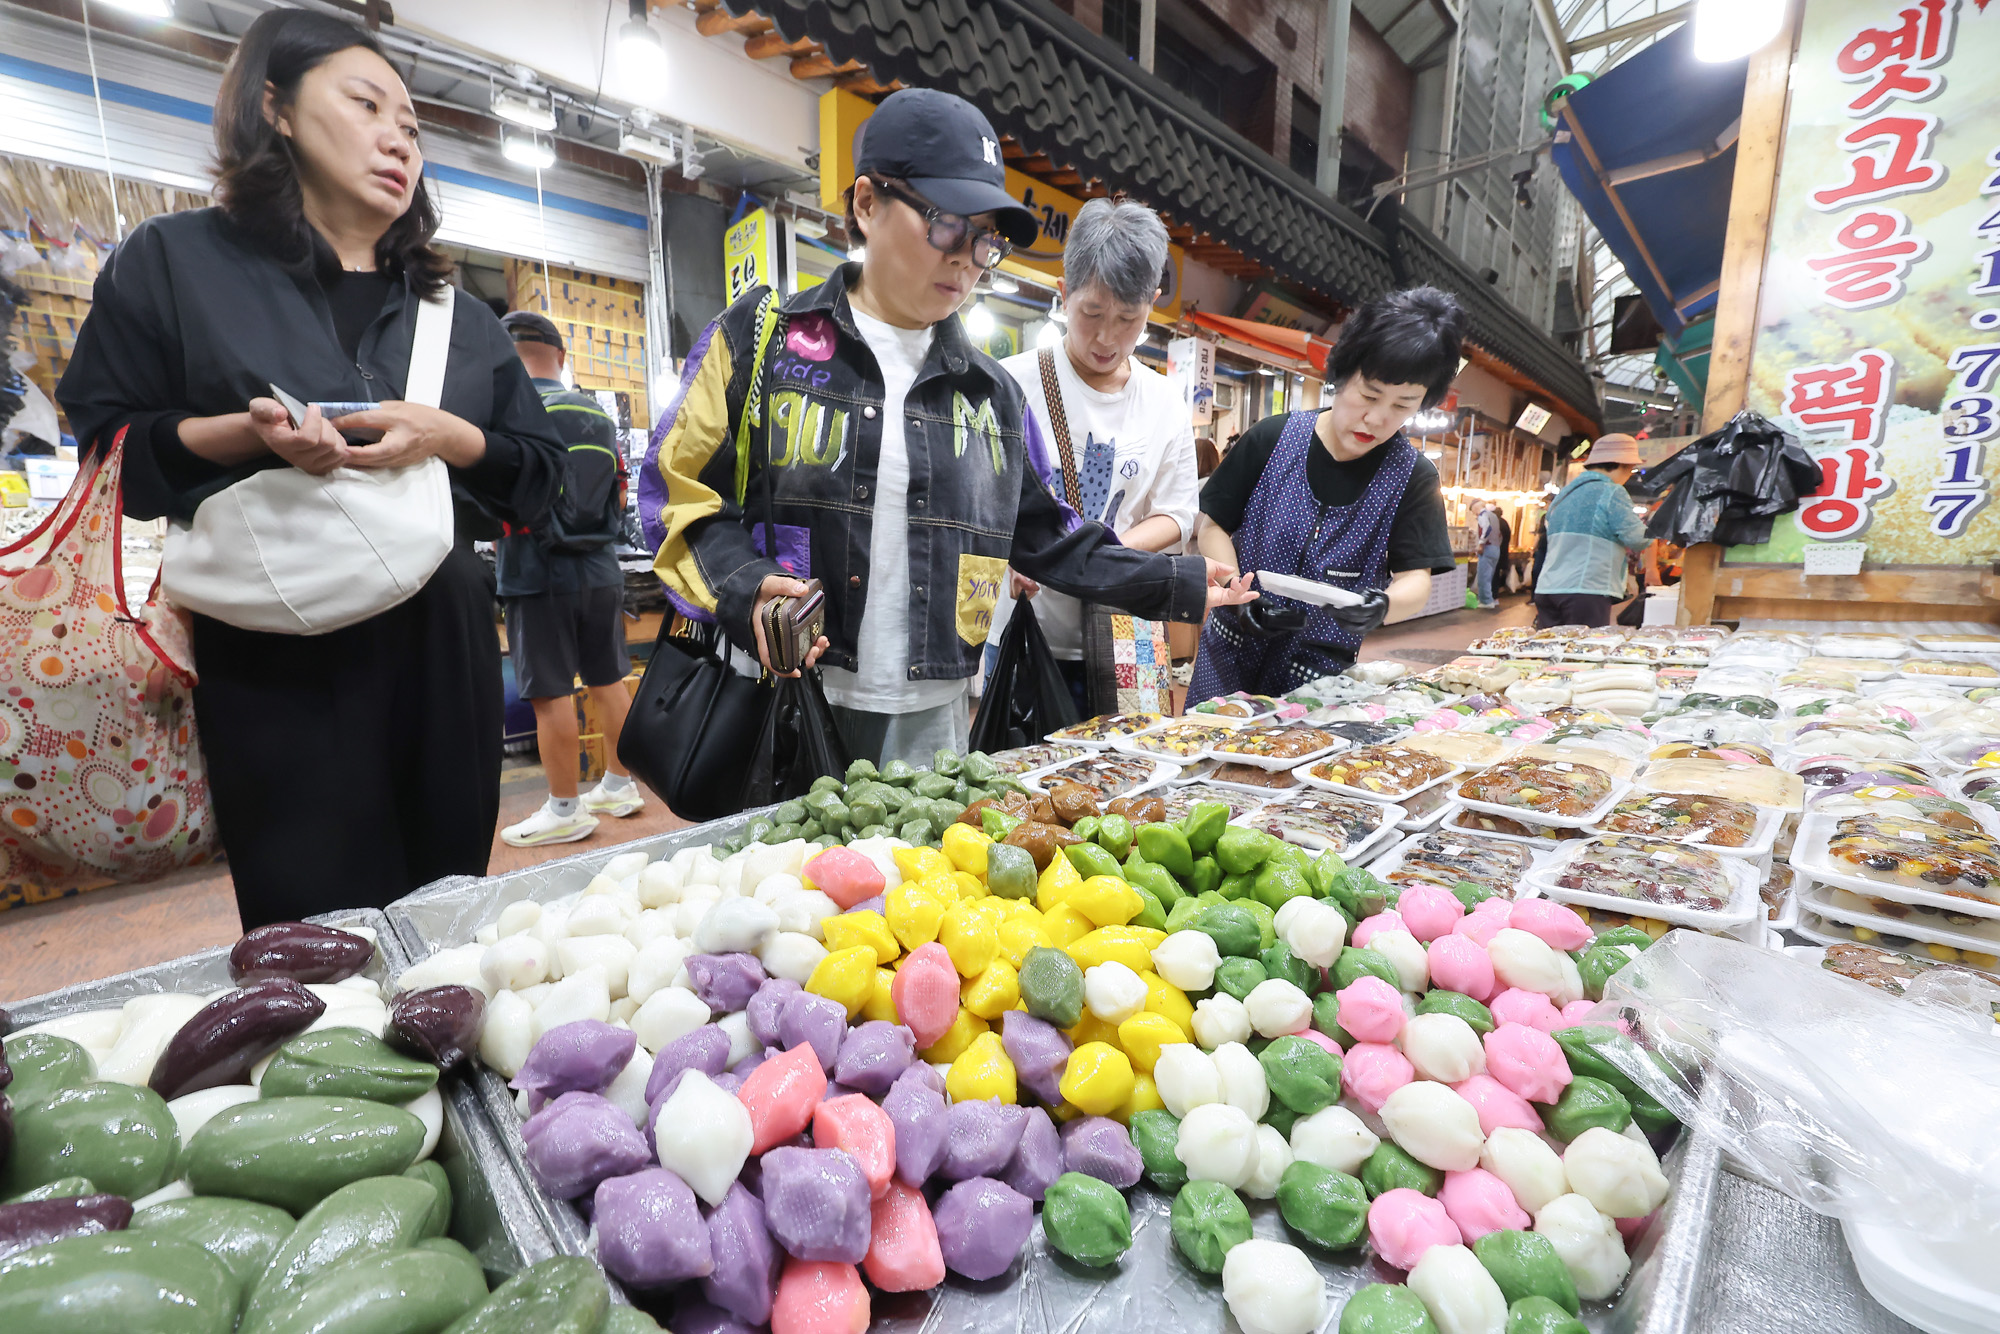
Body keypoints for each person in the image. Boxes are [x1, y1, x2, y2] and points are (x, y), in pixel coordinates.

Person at [56, 9, 564, 925]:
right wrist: (244, 434)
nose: (398, 140)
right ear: (275, 108)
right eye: (367, 105)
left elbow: (539, 477)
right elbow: (108, 455)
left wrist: (443, 435)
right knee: (312, 934)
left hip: (442, 647)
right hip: (271, 660)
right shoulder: (175, 263)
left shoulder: (459, 316)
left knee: (449, 914)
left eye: (411, 126)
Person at [643, 87, 1253, 769]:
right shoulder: (761, 343)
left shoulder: (991, 395)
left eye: (985, 238)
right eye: (945, 224)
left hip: (929, 718)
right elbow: (676, 495)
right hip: (779, 696)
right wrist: (747, 587)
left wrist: (1183, 582)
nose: (967, 258)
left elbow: (1051, 540)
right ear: (867, 203)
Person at [1191, 287, 1464, 698]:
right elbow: (1213, 526)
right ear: (1341, 374)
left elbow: (1415, 580)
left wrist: (1383, 606)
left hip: (1320, 680)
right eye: (1369, 394)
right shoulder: (1272, 438)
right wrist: (1236, 591)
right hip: (1229, 654)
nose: (1376, 418)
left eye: (1402, 405)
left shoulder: (1413, 477)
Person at [984, 196, 1200, 713]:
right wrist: (1011, 556)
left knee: (1128, 763)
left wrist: (1095, 557)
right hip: (1027, 632)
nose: (1108, 337)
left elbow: (1178, 514)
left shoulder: (1163, 401)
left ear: (1151, 303)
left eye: (1128, 318)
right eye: (1092, 312)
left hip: (1128, 633)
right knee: (1022, 764)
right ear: (1064, 293)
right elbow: (980, 504)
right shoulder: (1009, 384)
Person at [494, 310, 645, 848]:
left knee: (550, 692)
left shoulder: (508, 413)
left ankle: (564, 809)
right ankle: (620, 785)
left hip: (536, 573)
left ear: (504, 356)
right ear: (560, 356)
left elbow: (495, 499)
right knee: (608, 679)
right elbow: (619, 496)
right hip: (601, 570)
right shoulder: (596, 416)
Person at [1533, 433, 1656, 629]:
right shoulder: (1611, 491)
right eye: (1631, 469)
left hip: (1548, 588)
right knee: (1585, 647)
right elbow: (1639, 539)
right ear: (1622, 465)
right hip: (1585, 590)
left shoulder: (1564, 494)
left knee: (1549, 646)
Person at [1473, 500, 1501, 609]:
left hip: (1487, 548)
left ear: (1475, 508)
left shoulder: (1483, 515)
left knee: (1483, 576)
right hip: (1496, 548)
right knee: (1489, 576)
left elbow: (1487, 528)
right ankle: (1490, 599)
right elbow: (1499, 534)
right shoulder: (1494, 516)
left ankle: (1486, 601)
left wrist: (1481, 543)